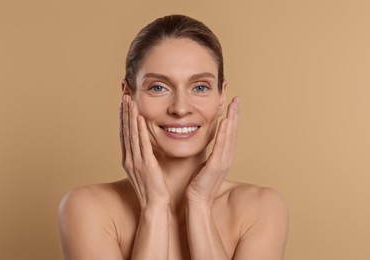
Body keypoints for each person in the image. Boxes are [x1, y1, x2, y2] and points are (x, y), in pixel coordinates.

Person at [58, 14, 288, 260]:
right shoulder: (87, 208)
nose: (180, 108)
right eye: (158, 87)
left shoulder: (262, 208)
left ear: (222, 96)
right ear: (128, 95)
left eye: (200, 87)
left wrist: (199, 204)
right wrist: (154, 207)